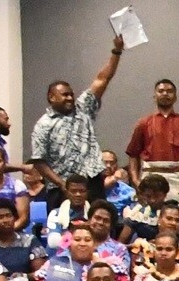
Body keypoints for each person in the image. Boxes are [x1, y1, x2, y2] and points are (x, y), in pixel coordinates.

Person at [29, 36, 127, 197]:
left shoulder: (83, 108)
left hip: (92, 182)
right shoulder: (43, 125)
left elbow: (102, 79)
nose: (69, 98)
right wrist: (62, 185)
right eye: (64, 95)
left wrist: (116, 51)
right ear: (51, 97)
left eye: (71, 94)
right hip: (61, 186)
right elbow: (39, 161)